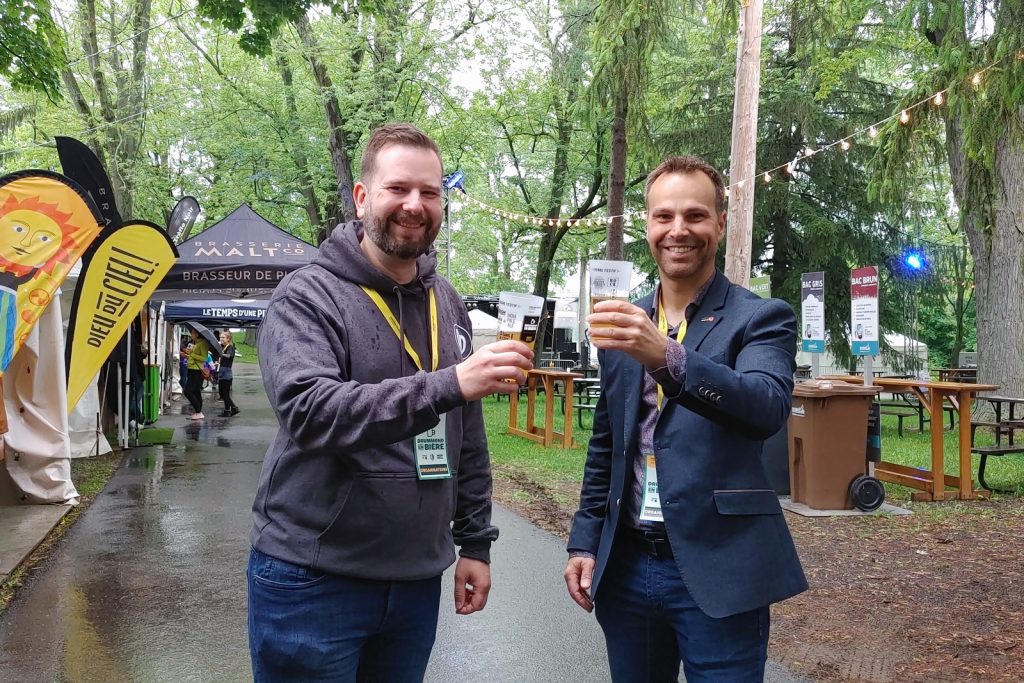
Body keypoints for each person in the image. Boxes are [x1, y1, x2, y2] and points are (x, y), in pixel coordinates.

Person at [248, 122, 534, 682]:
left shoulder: (445, 299)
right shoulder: (309, 295)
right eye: (398, 188)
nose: (414, 205)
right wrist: (449, 384)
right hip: (313, 578)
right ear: (361, 198)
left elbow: (466, 434)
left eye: (430, 193)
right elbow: (311, 411)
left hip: (414, 581)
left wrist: (475, 540)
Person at [564, 155, 807, 682]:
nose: (679, 230)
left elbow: (765, 406)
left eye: (695, 216)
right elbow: (607, 443)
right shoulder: (621, 321)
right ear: (647, 227)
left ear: (720, 223)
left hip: (719, 568)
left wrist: (665, 356)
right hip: (627, 566)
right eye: (664, 216)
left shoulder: (760, 317)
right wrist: (584, 540)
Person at [183, 327, 209, 420]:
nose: (191, 335)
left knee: (187, 391)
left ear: (197, 334)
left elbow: (204, 358)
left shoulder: (202, 343)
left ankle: (198, 411)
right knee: (196, 391)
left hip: (196, 370)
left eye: (192, 333)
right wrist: (187, 355)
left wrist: (191, 354)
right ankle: (198, 412)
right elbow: (193, 356)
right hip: (191, 368)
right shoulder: (195, 343)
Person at [217, 330, 239, 417]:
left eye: (223, 337)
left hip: (226, 372)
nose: (221, 339)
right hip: (222, 370)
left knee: (224, 392)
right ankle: (233, 408)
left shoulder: (230, 347)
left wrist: (221, 353)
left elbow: (229, 356)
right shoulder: (224, 347)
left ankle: (227, 410)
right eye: (220, 337)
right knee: (222, 392)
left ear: (228, 339)